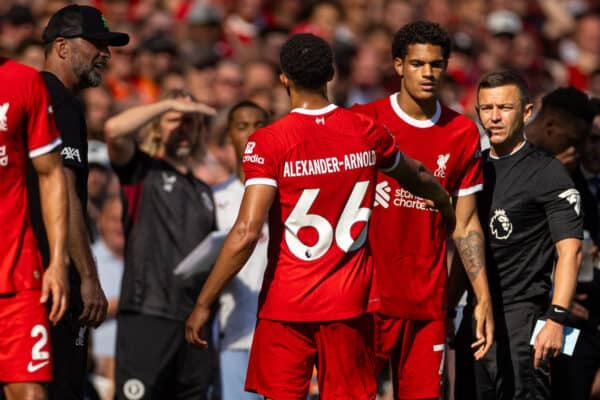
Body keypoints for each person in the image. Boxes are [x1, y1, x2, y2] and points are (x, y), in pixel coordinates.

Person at [185, 33, 455, 400]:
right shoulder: (366, 131)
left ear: (284, 79)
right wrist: (443, 200)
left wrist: (203, 303)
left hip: (287, 305)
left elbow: (247, 231)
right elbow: (418, 175)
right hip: (350, 306)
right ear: (331, 73)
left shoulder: (268, 141)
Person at [350, 21, 493, 400]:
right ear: (398, 65)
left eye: (436, 64)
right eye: (417, 64)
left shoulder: (462, 133)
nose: (428, 73)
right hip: (366, 297)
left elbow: (464, 223)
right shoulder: (364, 120)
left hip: (427, 303)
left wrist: (481, 297)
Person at [455, 70, 583, 400]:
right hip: (475, 317)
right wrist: (445, 309)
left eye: (505, 108)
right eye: (486, 109)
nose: (494, 118)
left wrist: (556, 318)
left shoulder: (547, 172)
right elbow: (466, 247)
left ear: (526, 112)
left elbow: (570, 252)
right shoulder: (474, 169)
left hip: (522, 321)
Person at [30, 6, 129, 399]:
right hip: (56, 284)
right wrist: (88, 277)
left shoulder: (29, 97)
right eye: (97, 44)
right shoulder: (60, 102)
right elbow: (64, 192)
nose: (106, 54)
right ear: (62, 47)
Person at [104, 89, 217, 400]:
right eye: (173, 120)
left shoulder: (204, 191)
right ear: (156, 124)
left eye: (191, 121)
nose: (183, 127)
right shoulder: (141, 170)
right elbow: (114, 130)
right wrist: (167, 102)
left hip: (192, 323)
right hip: (147, 314)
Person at [0, 58, 68, 400]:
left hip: (19, 275)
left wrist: (57, 261)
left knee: (31, 393)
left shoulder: (22, 80)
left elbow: (51, 173)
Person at [526, 88, 598, 400]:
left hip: (574, 317)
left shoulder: (576, 176)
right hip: (524, 309)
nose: (583, 149)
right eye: (582, 139)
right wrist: (551, 175)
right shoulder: (508, 156)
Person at [213, 100, 269, 400]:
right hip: (233, 335)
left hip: (278, 337)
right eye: (242, 126)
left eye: (259, 125)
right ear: (230, 135)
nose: (251, 133)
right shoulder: (214, 199)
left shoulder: (287, 193)